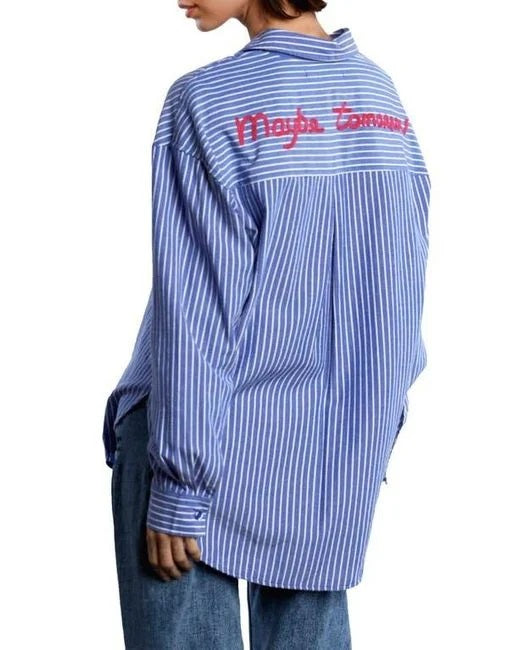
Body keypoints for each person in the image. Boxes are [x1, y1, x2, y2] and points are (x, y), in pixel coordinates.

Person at [102, 0, 431, 647]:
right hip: (328, 456)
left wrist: (178, 484)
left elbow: (198, 307)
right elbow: (402, 293)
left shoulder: (206, 100)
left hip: (194, 439)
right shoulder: (381, 99)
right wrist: (365, 444)